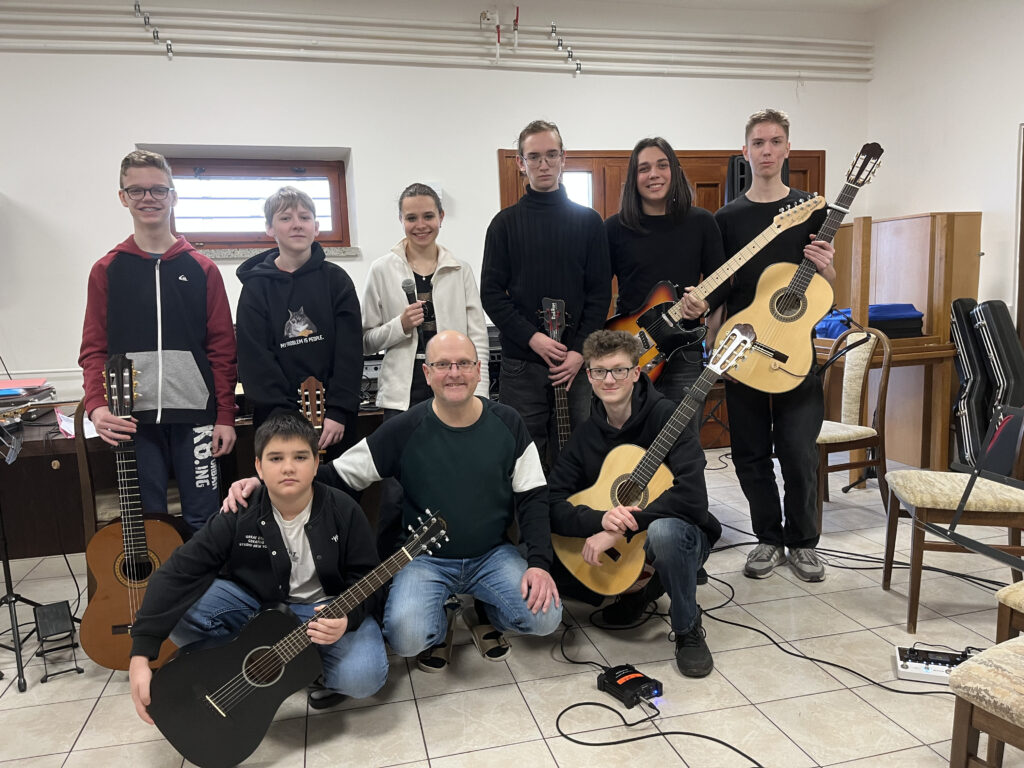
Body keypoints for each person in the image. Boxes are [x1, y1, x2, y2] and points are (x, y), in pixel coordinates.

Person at [224, 331, 562, 671]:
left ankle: (487, 611)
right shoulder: (404, 428)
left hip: (491, 555)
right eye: (442, 365)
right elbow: (336, 475)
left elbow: (533, 497)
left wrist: (538, 563)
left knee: (546, 617)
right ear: (427, 373)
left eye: (463, 364)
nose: (454, 373)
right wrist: (265, 483)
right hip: (423, 558)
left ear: (478, 370)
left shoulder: (508, 423)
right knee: (405, 638)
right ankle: (442, 615)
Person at [128, 412, 388, 722]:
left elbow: (371, 579)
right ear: (259, 467)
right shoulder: (240, 510)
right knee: (183, 607)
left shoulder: (344, 509)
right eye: (275, 458)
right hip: (259, 609)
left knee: (364, 677)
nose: (288, 467)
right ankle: (245, 662)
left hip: (326, 611)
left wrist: (347, 618)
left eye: (300, 457)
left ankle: (303, 669)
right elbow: (178, 573)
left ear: (316, 463)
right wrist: (141, 653)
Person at [685, 108, 834, 582]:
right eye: (758, 143)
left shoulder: (813, 208)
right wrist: (712, 340)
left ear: (788, 148)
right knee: (749, 453)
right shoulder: (727, 218)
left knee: (797, 451)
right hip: (744, 349)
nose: (766, 151)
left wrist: (827, 266)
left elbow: (826, 283)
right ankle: (768, 538)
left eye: (774, 142)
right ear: (745, 151)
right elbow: (723, 288)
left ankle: (803, 543)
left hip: (795, 351)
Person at [79, 149, 237, 532]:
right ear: (123, 197)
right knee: (148, 523)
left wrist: (225, 416)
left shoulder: (202, 269)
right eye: (137, 190)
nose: (148, 198)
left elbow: (222, 349)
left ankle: (206, 576)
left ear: (173, 196)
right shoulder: (107, 270)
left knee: (204, 520)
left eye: (158, 190)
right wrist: (97, 406)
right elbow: (94, 349)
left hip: (196, 417)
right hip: (132, 419)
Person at [548, 330, 720, 677]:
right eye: (600, 371)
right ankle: (641, 588)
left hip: (684, 537)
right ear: (589, 376)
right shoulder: (586, 435)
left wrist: (621, 529)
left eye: (619, 370)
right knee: (540, 558)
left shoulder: (668, 416)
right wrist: (601, 521)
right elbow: (551, 501)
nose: (609, 380)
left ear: (636, 372)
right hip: (627, 544)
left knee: (665, 533)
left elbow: (693, 497)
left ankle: (687, 628)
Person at [362, 182, 489, 558]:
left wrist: (479, 392)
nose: (421, 225)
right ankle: (385, 578)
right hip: (403, 394)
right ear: (400, 219)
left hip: (454, 388)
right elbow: (365, 339)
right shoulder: (381, 269)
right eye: (411, 217)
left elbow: (477, 337)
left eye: (428, 216)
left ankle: (457, 562)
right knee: (395, 492)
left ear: (441, 217)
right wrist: (399, 325)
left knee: (457, 482)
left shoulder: (459, 269)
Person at [481, 119, 611, 470]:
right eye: (534, 157)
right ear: (520, 163)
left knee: (576, 455)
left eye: (551, 155)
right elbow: (491, 294)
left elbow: (600, 294)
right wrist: (533, 338)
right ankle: (533, 511)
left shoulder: (589, 223)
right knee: (524, 457)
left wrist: (579, 352)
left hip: (575, 365)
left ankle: (571, 510)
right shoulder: (504, 225)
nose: (544, 164)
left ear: (563, 158)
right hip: (522, 364)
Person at [235, 186, 362, 458]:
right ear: (270, 228)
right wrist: (284, 417)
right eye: (285, 218)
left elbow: (349, 352)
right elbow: (255, 359)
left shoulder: (337, 281)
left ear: (316, 227)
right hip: (276, 420)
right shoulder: (255, 288)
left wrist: (338, 409)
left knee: (337, 483)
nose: (297, 225)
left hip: (335, 420)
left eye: (305, 217)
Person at [606, 137, 726, 424]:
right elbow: (597, 290)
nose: (654, 174)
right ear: (634, 178)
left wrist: (705, 304)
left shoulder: (702, 222)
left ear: (675, 171)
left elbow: (722, 281)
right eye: (644, 168)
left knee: (682, 442)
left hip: (685, 352)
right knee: (630, 440)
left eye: (662, 165)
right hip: (631, 351)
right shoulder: (613, 228)